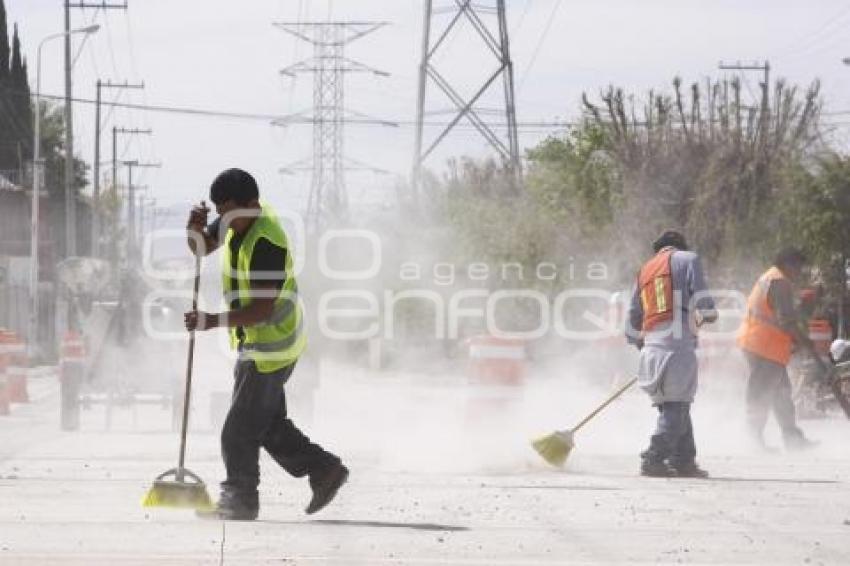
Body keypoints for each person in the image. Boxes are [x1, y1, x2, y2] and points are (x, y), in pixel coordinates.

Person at [185, 168, 348, 520]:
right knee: (266, 424)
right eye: (220, 213)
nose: (226, 221)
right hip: (259, 340)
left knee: (238, 429)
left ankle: (240, 500)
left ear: (253, 205)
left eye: (230, 213)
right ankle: (324, 469)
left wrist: (210, 321)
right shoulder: (234, 219)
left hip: (272, 343)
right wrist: (194, 229)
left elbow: (260, 310)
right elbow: (202, 248)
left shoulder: (267, 242)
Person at [626, 230, 718, 478]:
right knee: (676, 407)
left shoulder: (644, 270)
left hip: (651, 348)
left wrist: (640, 343)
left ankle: (683, 460)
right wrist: (709, 312)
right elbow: (699, 292)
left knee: (676, 406)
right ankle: (653, 458)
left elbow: (633, 314)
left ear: (659, 250)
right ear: (680, 247)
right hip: (676, 347)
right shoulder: (688, 259)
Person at [737, 247, 817, 451]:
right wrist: (803, 341)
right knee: (761, 393)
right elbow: (786, 320)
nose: (800, 272)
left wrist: (797, 341)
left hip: (761, 344)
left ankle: (792, 438)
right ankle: (754, 441)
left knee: (781, 392)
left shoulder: (770, 277)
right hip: (764, 346)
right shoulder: (779, 282)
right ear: (789, 264)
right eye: (798, 267)